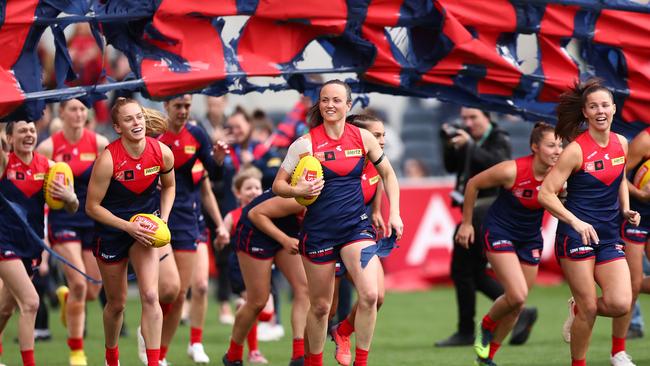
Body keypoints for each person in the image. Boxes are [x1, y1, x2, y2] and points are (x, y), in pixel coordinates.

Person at [272, 79, 403, 366]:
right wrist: (297, 191)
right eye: (325, 100)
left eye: (336, 100)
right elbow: (278, 185)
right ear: (319, 104)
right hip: (319, 233)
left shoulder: (363, 138)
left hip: (356, 229)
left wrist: (394, 214)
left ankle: (361, 361)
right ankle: (314, 362)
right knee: (320, 307)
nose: (330, 105)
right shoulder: (305, 144)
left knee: (370, 295)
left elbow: (389, 176)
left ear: (348, 105)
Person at [538, 78, 639, 366]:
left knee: (620, 303)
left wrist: (626, 209)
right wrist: (576, 221)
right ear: (585, 113)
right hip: (576, 236)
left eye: (605, 105)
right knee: (590, 307)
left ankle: (579, 310)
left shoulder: (621, 142)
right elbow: (546, 194)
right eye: (593, 106)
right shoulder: (575, 151)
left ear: (614, 109)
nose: (600, 111)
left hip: (608, 235)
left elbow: (618, 177)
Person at [454, 123, 562, 365]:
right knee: (517, 294)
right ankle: (486, 324)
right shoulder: (511, 170)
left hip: (530, 239)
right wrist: (466, 223)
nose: (558, 150)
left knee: (517, 303)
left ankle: (487, 358)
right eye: (551, 145)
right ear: (535, 147)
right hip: (499, 232)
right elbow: (473, 184)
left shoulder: (560, 175)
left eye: (560, 145)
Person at [85, 97, 175, 366]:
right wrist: (127, 227)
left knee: (150, 295)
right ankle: (111, 357)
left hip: (145, 230)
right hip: (113, 232)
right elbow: (92, 207)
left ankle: (153, 361)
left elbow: (169, 186)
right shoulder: (108, 159)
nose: (136, 123)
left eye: (139, 117)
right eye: (128, 119)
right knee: (117, 304)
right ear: (117, 127)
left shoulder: (161, 152)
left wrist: (164, 220)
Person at [147, 94, 225, 366]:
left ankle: (162, 354)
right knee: (169, 288)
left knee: (184, 292)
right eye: (178, 106)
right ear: (166, 106)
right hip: (158, 216)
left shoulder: (197, 134)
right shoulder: (155, 135)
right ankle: (149, 333)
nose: (182, 111)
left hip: (187, 217)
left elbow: (212, 179)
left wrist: (217, 160)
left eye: (187, 106)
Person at [435, 107, 518, 347]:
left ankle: (466, 330)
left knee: (463, 272)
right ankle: (519, 306)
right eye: (465, 118)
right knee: (474, 273)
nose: (468, 123)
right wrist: (448, 143)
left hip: (489, 211)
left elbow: (500, 167)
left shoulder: (499, 137)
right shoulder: (467, 137)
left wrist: (470, 145)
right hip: (474, 211)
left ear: (488, 117)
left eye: (474, 118)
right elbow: (452, 167)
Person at [36, 98, 110, 366]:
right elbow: (37, 192)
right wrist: (41, 230)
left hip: (92, 221)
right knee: (79, 283)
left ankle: (67, 299)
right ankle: (76, 352)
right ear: (62, 113)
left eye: (82, 109)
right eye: (73, 109)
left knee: (91, 291)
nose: (79, 113)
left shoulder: (100, 144)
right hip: (63, 222)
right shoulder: (48, 147)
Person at [0, 120, 79, 366]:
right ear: (10, 139)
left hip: (31, 246)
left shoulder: (49, 167)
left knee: (5, 309)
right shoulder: (5, 162)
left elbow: (72, 207)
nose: (29, 134)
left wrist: (70, 197)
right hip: (4, 242)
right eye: (22, 130)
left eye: (32, 130)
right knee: (31, 302)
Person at [222, 188, 309, 366]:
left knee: (304, 288)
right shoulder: (303, 197)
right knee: (257, 302)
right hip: (256, 229)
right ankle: (233, 355)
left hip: (286, 228)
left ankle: (299, 356)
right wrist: (285, 240)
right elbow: (256, 213)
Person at [329, 113, 388, 366]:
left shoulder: (376, 161)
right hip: (328, 236)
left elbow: (382, 180)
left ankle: (343, 332)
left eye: (383, 135)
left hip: (357, 234)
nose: (382, 141)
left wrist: (376, 209)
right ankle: (302, 358)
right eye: (376, 135)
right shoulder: (336, 163)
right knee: (325, 308)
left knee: (377, 297)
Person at [219, 167, 271, 364]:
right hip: (239, 265)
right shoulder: (233, 215)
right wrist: (221, 237)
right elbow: (222, 232)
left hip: (264, 263)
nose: (254, 192)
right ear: (238, 193)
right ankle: (253, 352)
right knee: (254, 304)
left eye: (257, 187)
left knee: (266, 313)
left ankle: (242, 313)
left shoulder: (267, 211)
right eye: (248, 188)